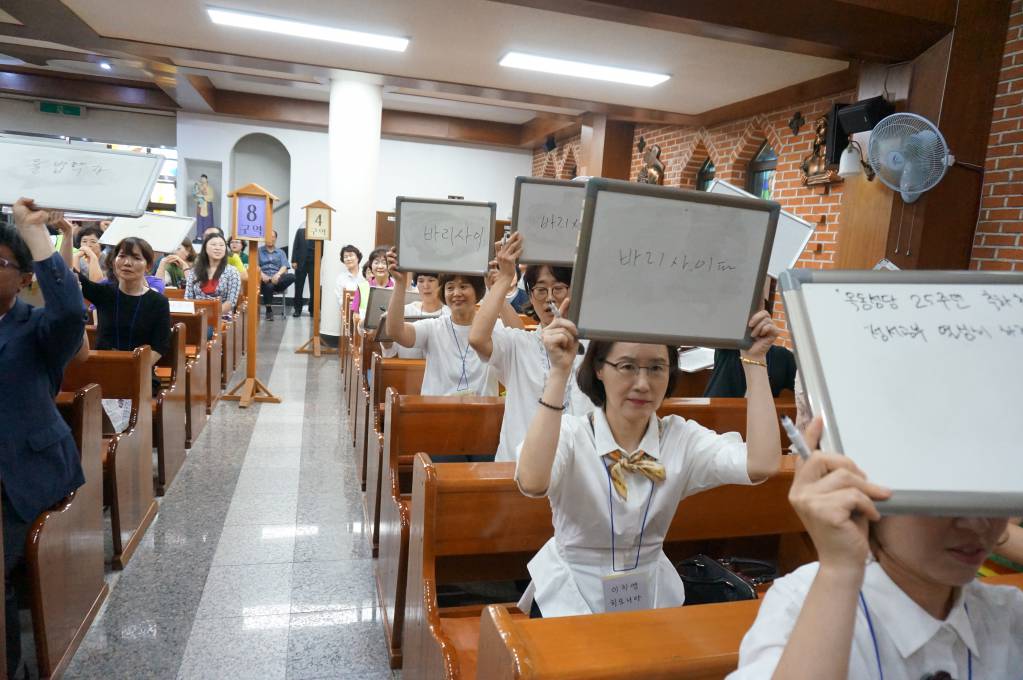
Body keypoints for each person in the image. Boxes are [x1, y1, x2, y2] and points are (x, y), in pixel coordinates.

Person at [515, 304, 782, 618]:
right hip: (570, 597)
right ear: (599, 369)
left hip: (651, 596)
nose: (643, 383)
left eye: (656, 368)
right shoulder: (572, 435)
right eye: (627, 366)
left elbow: (761, 464)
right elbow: (532, 482)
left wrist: (754, 361)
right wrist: (559, 372)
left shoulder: (681, 439)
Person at [728, 418, 1023, 678]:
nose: (977, 524)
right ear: (857, 485)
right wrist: (839, 570)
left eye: (991, 494)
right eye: (942, 495)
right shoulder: (800, 605)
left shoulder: (1009, 615)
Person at [0, 199, 87, 678]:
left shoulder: (36, 329)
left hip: (23, 477)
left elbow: (72, 311)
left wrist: (36, 235)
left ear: (23, 277)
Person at [470, 232, 594, 461]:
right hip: (518, 468)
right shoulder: (519, 344)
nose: (549, 298)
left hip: (579, 469)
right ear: (530, 294)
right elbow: (477, 339)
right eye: (540, 289)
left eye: (558, 288)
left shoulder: (593, 348)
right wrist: (505, 278)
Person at [383, 248, 498, 397]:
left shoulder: (494, 328)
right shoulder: (433, 327)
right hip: (437, 413)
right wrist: (400, 283)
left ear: (478, 291)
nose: (456, 293)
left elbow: (519, 332)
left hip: (483, 414)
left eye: (463, 286)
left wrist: (496, 289)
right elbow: (396, 332)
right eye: (450, 287)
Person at [78, 236, 171, 395]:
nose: (127, 263)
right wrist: (68, 235)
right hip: (101, 372)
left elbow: (159, 346)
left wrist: (128, 369)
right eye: (122, 256)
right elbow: (66, 276)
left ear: (148, 266)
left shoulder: (158, 302)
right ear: (114, 261)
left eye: (136, 258)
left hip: (139, 373)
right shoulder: (104, 293)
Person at [704, 277, 796, 398]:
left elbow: (810, 385)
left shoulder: (781, 357)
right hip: (718, 413)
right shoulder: (728, 347)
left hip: (764, 412)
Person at [379, 272, 447, 360]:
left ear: (441, 284)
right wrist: (384, 333)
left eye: (431, 280)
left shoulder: (450, 313)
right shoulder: (403, 312)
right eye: (421, 281)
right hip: (406, 371)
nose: (426, 286)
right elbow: (390, 351)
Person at [185, 232, 241, 316]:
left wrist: (211, 316)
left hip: (221, 317)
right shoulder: (194, 271)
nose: (218, 248)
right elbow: (188, 297)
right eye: (213, 244)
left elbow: (231, 302)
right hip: (196, 315)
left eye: (222, 245)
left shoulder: (232, 272)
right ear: (205, 248)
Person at [257, 229, 295, 320]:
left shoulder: (281, 252)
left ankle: (272, 282)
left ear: (276, 239)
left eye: (273, 237)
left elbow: (284, 266)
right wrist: (262, 275)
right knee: (269, 286)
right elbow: (255, 265)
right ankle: (269, 310)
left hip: (277, 281)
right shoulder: (258, 251)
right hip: (263, 281)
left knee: (292, 276)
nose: (271, 239)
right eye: (268, 237)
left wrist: (277, 275)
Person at [352, 247, 393, 319]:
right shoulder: (362, 287)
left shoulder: (397, 287)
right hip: (366, 328)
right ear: (371, 266)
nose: (380, 266)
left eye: (384, 263)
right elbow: (356, 315)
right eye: (376, 262)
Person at [290, 222, 320, 317]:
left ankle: (313, 310)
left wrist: (319, 260)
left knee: (314, 288)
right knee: (298, 287)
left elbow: (322, 248)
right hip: (300, 262)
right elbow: (296, 246)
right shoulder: (300, 231)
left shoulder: (320, 232)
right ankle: (297, 309)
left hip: (314, 263)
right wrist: (294, 260)